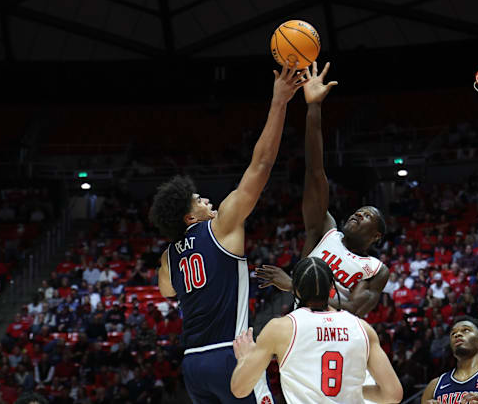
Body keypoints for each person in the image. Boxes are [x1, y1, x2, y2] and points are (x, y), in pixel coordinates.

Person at [151, 63, 305, 404]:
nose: (207, 199)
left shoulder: (168, 256)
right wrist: (279, 101)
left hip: (193, 364)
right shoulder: (221, 226)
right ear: (190, 215)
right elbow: (261, 166)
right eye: (199, 199)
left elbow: (166, 291)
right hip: (229, 354)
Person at [257, 61, 389, 317]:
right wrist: (314, 107)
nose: (358, 214)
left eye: (368, 216)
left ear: (376, 237)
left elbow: (355, 308)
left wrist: (295, 284)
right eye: (359, 211)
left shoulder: (374, 268)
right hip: (302, 325)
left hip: (340, 338)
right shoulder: (325, 231)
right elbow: (315, 172)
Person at [231, 257, 402, 403]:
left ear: (295, 289)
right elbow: (393, 395)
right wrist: (356, 391)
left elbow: (239, 389)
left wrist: (244, 359)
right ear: (332, 289)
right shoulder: (363, 328)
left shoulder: (280, 328)